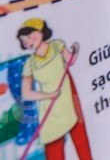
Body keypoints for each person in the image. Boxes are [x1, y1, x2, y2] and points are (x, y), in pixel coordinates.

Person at [18, 18, 92, 160]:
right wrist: (48, 95)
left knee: (80, 136)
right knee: (53, 145)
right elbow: (26, 93)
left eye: (29, 36)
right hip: (49, 105)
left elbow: (70, 60)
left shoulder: (57, 45)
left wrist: (75, 50)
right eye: (24, 41)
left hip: (68, 95)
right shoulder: (29, 63)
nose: (28, 42)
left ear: (40, 31)